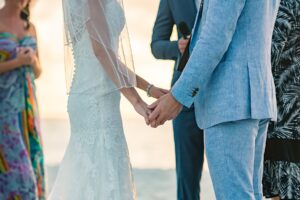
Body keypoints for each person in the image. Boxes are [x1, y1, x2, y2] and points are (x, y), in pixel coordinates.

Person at [148, 0, 280, 199]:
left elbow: (214, 38)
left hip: (229, 100)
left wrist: (177, 97)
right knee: (250, 194)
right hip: (256, 96)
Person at [49, 0, 167, 199]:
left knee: (104, 175)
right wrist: (136, 101)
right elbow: (101, 52)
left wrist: (148, 87)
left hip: (103, 96)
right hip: (94, 99)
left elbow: (110, 56)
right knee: (101, 176)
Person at [151, 0, 204, 199]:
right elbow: (156, 45)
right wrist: (178, 47)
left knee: (227, 178)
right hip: (183, 99)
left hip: (221, 94)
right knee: (187, 181)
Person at [0, 0, 45, 199]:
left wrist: (32, 61)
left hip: (28, 107)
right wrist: (17, 62)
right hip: (4, 107)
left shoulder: (30, 27)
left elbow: (38, 71)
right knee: (17, 171)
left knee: (32, 163)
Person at [263, 0, 300, 199]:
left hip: (285, 117)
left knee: (284, 189)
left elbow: (268, 54)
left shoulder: (286, 3)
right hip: (291, 115)